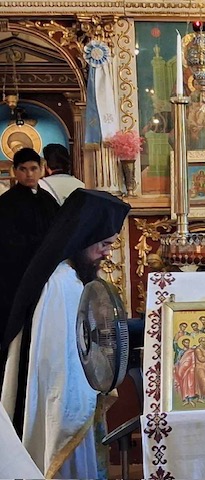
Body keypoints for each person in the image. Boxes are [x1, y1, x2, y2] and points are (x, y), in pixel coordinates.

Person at [0, 188, 130, 479]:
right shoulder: (61, 283)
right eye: (104, 244)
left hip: (78, 397)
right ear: (85, 236)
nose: (107, 253)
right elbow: (58, 363)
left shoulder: (69, 276)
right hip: (64, 407)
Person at [0, 147, 59, 342]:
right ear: (15, 171)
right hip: (17, 275)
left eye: (33, 169)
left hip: (47, 274)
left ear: (41, 168)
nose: (29, 174)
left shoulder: (48, 200)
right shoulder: (6, 203)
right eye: (23, 169)